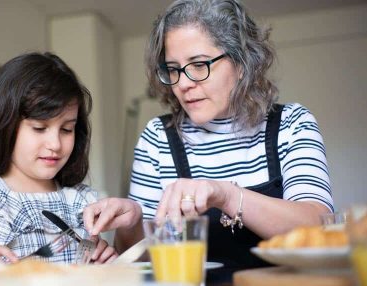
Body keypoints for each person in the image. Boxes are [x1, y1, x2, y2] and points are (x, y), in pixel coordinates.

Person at [83, 0, 333, 280]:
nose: (183, 83)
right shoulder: (157, 138)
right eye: (173, 69)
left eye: (199, 65)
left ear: (241, 63)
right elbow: (139, 261)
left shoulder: (292, 123)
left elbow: (318, 227)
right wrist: (131, 224)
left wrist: (226, 195)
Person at [0, 52, 117, 286]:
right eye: (39, 128)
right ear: (4, 124)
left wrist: (109, 270)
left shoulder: (84, 203)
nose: (55, 144)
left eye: (67, 129)